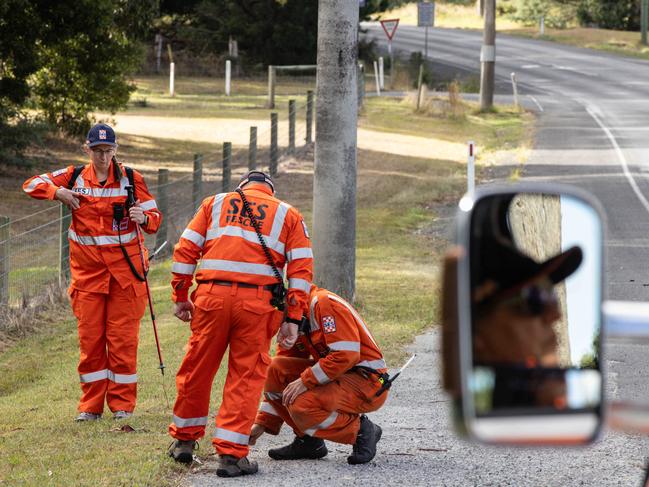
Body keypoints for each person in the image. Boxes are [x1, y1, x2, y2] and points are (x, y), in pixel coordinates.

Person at [167, 170, 313, 478]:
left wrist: (181, 294)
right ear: (270, 192)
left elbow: (185, 250)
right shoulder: (289, 214)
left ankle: (183, 440)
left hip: (211, 298)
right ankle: (231, 456)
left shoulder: (214, 203)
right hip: (258, 305)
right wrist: (294, 317)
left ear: (242, 187)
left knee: (197, 367)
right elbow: (301, 270)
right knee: (246, 376)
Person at [22, 123, 162, 421]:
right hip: (88, 278)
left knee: (123, 342)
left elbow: (155, 219)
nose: (102, 157)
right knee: (91, 344)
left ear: (116, 149)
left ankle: (123, 407)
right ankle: (90, 408)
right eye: (97, 151)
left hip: (126, 277)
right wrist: (58, 192)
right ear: (87, 149)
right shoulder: (73, 176)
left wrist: (143, 217)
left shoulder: (131, 179)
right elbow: (31, 184)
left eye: (108, 151)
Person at [249, 285, 388, 466]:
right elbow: (281, 379)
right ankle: (308, 441)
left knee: (302, 405)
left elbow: (346, 354)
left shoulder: (324, 304)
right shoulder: (297, 318)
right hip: (341, 376)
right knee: (275, 369)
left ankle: (361, 431)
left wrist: (306, 381)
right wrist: (262, 423)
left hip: (368, 383)